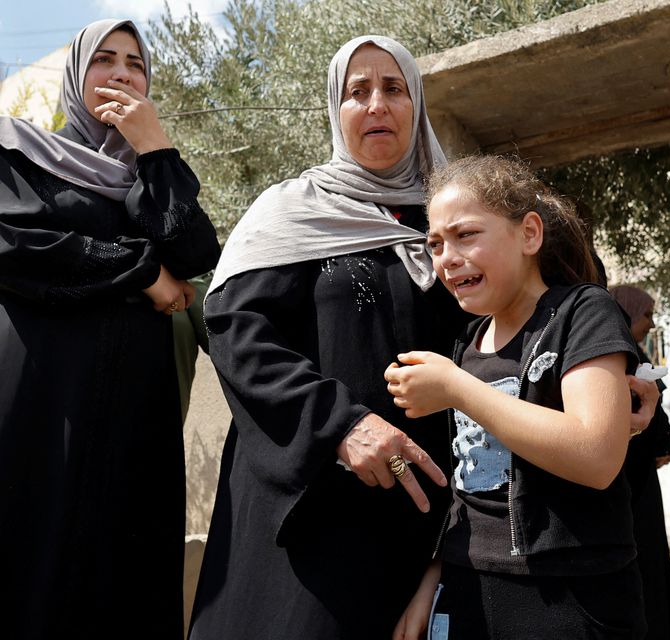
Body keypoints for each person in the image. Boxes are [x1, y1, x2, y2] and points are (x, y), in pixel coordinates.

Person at [188, 36, 465, 640]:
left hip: (426, 515)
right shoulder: (290, 212)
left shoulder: (452, 221)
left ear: (415, 105)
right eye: (356, 92)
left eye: (393, 89)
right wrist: (340, 426)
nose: (376, 105)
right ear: (335, 113)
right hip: (312, 513)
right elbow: (238, 334)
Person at [0, 19, 220, 639]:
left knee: (125, 566)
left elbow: (197, 250)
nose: (122, 73)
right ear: (74, 76)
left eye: (136, 64)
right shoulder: (19, 151)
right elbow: (17, 244)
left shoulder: (150, 175)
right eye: (104, 60)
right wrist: (143, 271)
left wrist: (155, 149)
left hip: (136, 409)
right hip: (42, 393)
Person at [386, 155, 658, 640]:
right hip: (469, 588)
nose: (446, 256)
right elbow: (466, 488)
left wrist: (456, 389)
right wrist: (437, 572)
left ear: (529, 234)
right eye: (434, 244)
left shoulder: (583, 313)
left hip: (572, 594)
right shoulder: (466, 343)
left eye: (466, 234)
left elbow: (595, 456)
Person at [610, 285, 670, 640]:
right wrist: (663, 443)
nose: (652, 324)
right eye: (647, 315)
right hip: (633, 490)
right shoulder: (622, 357)